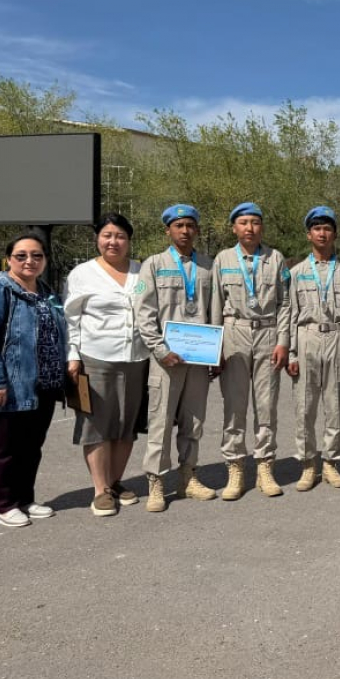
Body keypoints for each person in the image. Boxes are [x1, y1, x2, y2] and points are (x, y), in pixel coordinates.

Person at [0, 231, 67, 528]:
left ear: (45, 260)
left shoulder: (47, 292)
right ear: (9, 259)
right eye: (21, 255)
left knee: (31, 445)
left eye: (37, 255)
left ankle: (25, 497)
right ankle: (4, 504)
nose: (29, 261)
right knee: (5, 448)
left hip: (44, 384)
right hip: (11, 383)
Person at [135, 204, 220, 513]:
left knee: (194, 421)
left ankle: (188, 476)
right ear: (168, 230)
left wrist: (216, 352)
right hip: (166, 359)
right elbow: (143, 313)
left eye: (190, 225)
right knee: (160, 422)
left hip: (199, 358)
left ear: (196, 229)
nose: (185, 231)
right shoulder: (153, 265)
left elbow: (215, 311)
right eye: (179, 225)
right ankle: (156, 481)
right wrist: (159, 349)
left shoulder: (209, 266)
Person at [65, 213, 150, 516]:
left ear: (129, 241)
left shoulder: (143, 271)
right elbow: (72, 319)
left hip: (137, 358)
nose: (113, 241)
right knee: (96, 425)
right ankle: (100, 490)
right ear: (98, 239)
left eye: (120, 236)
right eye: (107, 235)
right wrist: (73, 355)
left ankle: (115, 482)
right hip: (95, 358)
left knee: (126, 424)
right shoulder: (82, 274)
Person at [212, 202, 291, 500]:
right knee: (234, 404)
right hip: (235, 332)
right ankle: (235, 467)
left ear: (262, 227)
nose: (249, 228)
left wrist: (283, 340)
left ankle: (265, 466)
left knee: (266, 404)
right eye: (243, 222)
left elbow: (285, 303)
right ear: (234, 227)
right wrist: (215, 347)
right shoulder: (223, 259)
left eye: (255, 222)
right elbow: (215, 305)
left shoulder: (275, 258)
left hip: (268, 332)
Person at [287, 206, 340, 491]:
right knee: (305, 407)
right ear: (309, 234)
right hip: (307, 337)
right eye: (317, 228)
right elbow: (290, 314)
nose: (322, 233)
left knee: (334, 406)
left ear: (335, 234)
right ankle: (307, 464)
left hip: (337, 339)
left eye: (327, 228)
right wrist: (291, 352)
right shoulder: (296, 273)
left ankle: (331, 463)